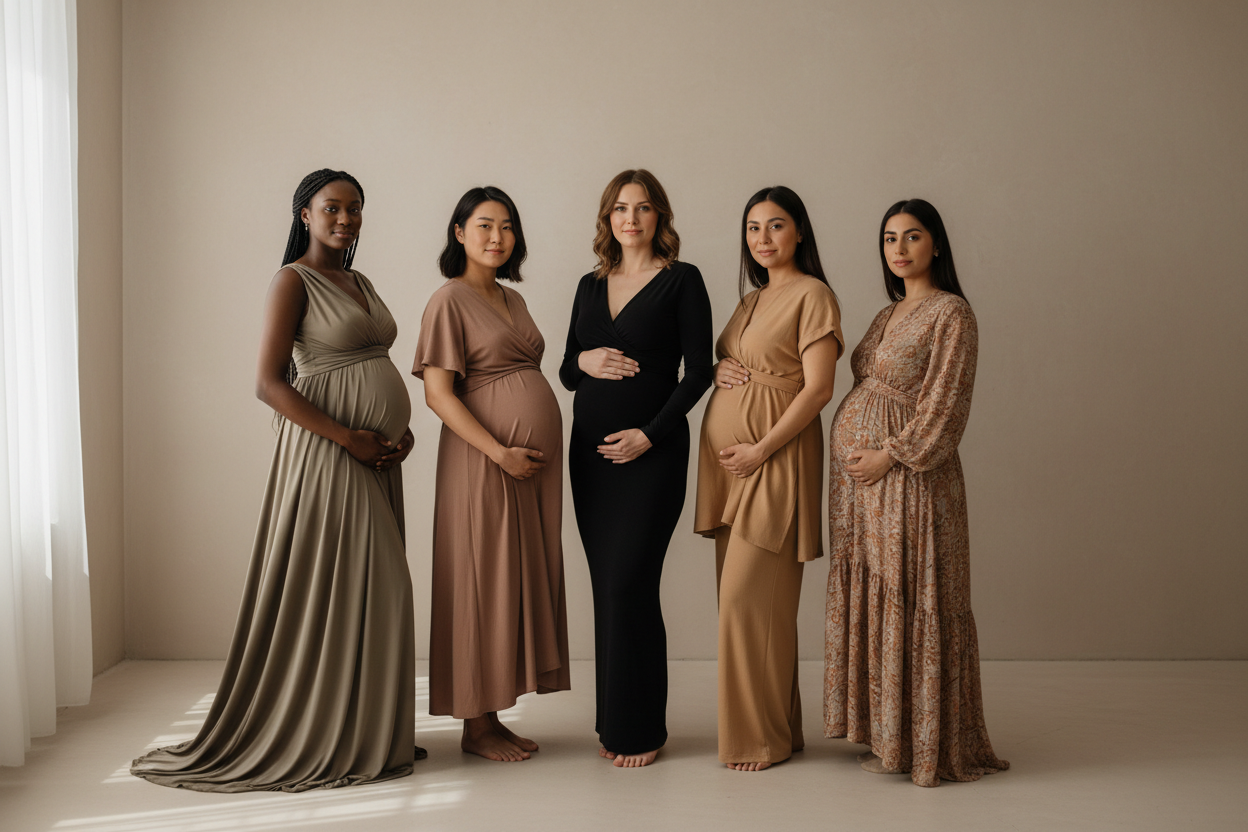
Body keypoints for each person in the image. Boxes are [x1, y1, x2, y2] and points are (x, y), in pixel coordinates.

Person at [130, 169, 420, 792]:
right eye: (332, 208)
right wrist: (349, 436)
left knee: (368, 589)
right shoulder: (292, 280)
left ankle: (367, 729)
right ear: (304, 214)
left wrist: (398, 431)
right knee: (369, 586)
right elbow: (268, 383)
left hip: (373, 454)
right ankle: (322, 732)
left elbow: (374, 363)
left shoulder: (359, 279)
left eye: (355, 209)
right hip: (327, 453)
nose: (345, 219)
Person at [824, 198, 1009, 787]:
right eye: (888, 239)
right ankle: (888, 733)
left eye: (911, 237)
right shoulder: (887, 313)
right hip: (862, 492)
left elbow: (947, 406)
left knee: (910, 593)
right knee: (878, 594)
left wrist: (891, 455)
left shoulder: (952, 314)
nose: (899, 249)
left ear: (936, 245)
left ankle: (925, 743)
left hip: (911, 481)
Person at [560, 169, 713, 768]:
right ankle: (614, 722)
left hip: (652, 454)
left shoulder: (682, 281)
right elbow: (568, 371)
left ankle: (642, 727)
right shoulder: (589, 284)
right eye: (620, 209)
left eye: (643, 209)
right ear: (608, 218)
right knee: (607, 586)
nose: (631, 218)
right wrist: (584, 359)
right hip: (591, 459)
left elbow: (698, 372)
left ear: (659, 218)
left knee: (631, 584)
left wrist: (649, 435)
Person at [414, 186, 570, 763]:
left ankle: (492, 715)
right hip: (482, 462)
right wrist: (499, 451)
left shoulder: (513, 300)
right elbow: (437, 394)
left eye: (506, 227)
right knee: (479, 575)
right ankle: (474, 726)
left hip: (527, 471)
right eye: (483, 225)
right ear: (459, 233)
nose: (496, 237)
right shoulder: (448, 300)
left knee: (509, 577)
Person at [694, 186, 843, 772]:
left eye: (775, 226)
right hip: (732, 470)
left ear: (799, 231)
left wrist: (759, 449)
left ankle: (759, 740)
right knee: (756, 606)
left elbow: (819, 389)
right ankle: (781, 729)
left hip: (775, 458)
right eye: (753, 229)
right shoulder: (751, 300)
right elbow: (735, 361)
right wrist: (717, 367)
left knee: (746, 601)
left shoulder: (813, 295)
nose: (762, 239)